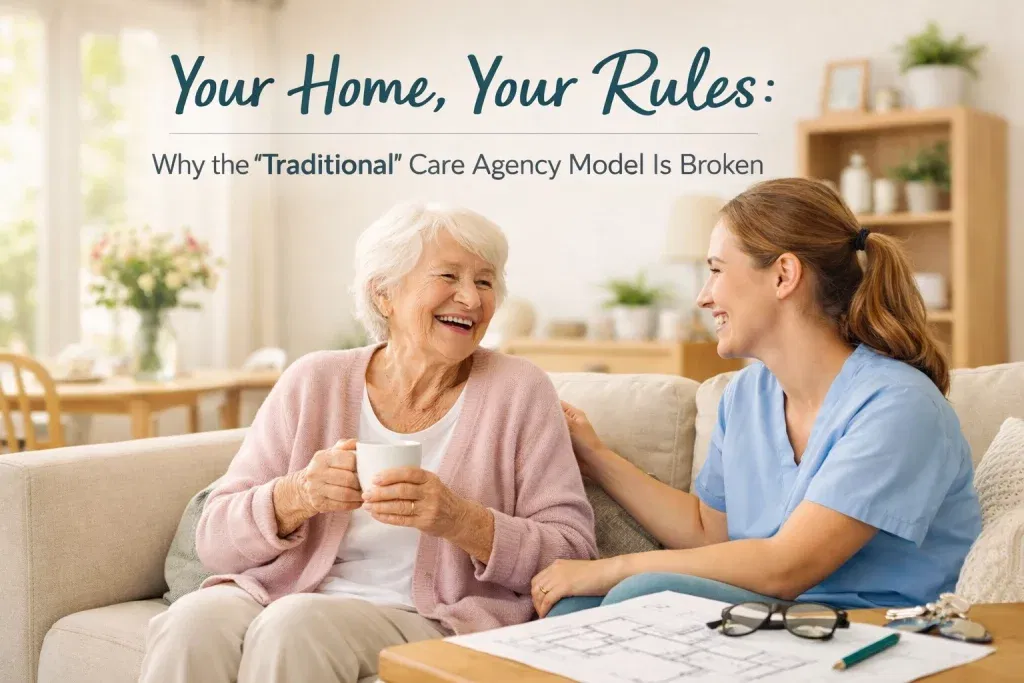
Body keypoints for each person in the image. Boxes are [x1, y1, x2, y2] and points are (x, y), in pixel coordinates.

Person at [140, 202, 597, 683]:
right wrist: (296, 495)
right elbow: (213, 541)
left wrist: (462, 520)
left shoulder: (520, 390)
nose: (470, 298)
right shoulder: (314, 380)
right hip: (286, 590)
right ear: (384, 293)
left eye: (484, 281)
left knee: (295, 625)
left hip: (430, 617)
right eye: (449, 276)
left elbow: (572, 552)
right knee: (190, 623)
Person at [533, 177, 981, 619]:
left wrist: (613, 569)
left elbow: (788, 567)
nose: (703, 297)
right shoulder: (746, 395)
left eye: (715, 270)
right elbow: (710, 533)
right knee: (572, 606)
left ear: (784, 275)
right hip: (774, 618)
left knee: (643, 591)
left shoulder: (899, 405)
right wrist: (596, 457)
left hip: (867, 631)